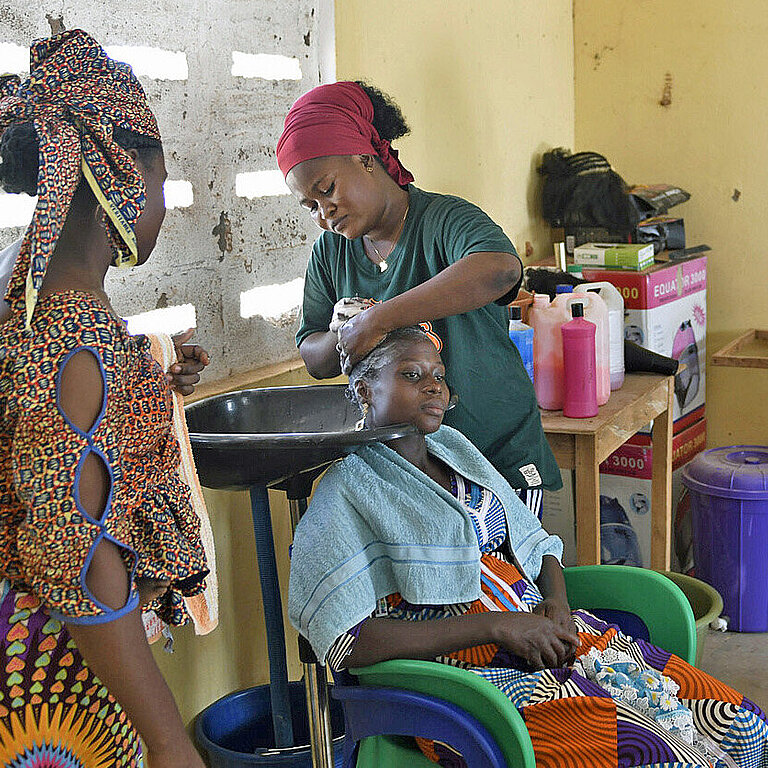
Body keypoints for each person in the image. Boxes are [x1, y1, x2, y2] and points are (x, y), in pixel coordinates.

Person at [289, 327, 768, 768]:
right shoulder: (348, 489)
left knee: (744, 725)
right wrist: (496, 625)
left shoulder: (454, 449)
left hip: (551, 633)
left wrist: (558, 604)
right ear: (364, 390)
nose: (433, 386)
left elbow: (536, 542)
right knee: (659, 755)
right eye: (412, 375)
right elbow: (345, 642)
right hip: (464, 681)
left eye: (439, 376)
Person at [0, 31, 210, 767]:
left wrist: (153, 382)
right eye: (162, 181)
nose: (162, 203)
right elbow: (78, 555)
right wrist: (168, 740)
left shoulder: (29, 300)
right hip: (56, 692)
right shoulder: (74, 327)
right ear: (121, 175)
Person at [276, 80, 560, 518]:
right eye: (309, 206)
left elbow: (500, 269)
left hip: (494, 458)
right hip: (407, 470)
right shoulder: (331, 252)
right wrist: (346, 334)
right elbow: (314, 355)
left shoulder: (444, 220)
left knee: (504, 584)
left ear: (365, 159)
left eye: (328, 188)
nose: (323, 212)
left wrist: (381, 320)